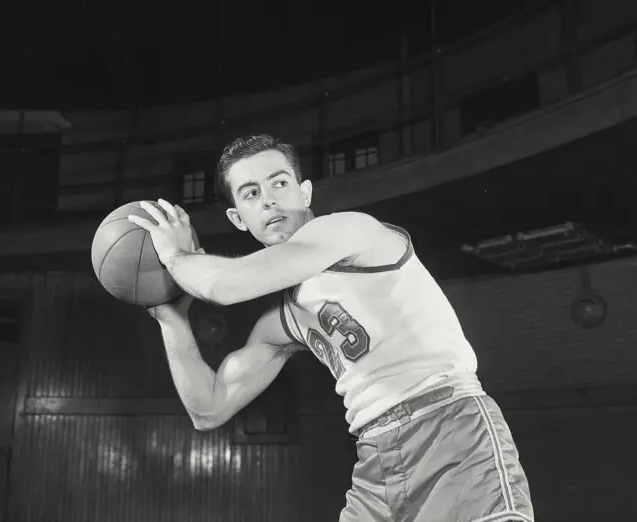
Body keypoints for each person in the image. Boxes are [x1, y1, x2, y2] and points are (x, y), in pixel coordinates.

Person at [127, 134, 534, 522]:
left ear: (304, 193)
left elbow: (223, 285)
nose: (269, 199)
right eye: (251, 193)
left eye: (279, 183)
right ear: (238, 217)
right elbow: (209, 408)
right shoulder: (286, 321)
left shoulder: (349, 230)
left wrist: (176, 256)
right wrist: (170, 316)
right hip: (376, 458)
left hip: (450, 428)